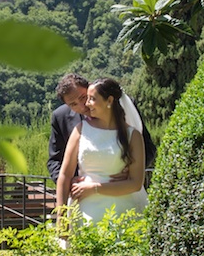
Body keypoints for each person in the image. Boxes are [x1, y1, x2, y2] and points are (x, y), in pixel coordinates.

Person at [55, 78, 148, 225]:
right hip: (85, 206)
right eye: (73, 104)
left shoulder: (132, 134)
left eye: (89, 98)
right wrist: (62, 218)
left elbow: (136, 182)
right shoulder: (80, 129)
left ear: (109, 100)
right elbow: (64, 173)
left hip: (124, 204)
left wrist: (98, 187)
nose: (85, 104)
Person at [47, 73, 155, 184]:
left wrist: (131, 173)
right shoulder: (60, 117)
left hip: (124, 187)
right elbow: (54, 160)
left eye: (83, 97)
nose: (82, 106)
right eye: (73, 104)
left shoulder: (123, 106)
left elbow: (149, 148)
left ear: (90, 87)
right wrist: (69, 183)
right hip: (81, 192)